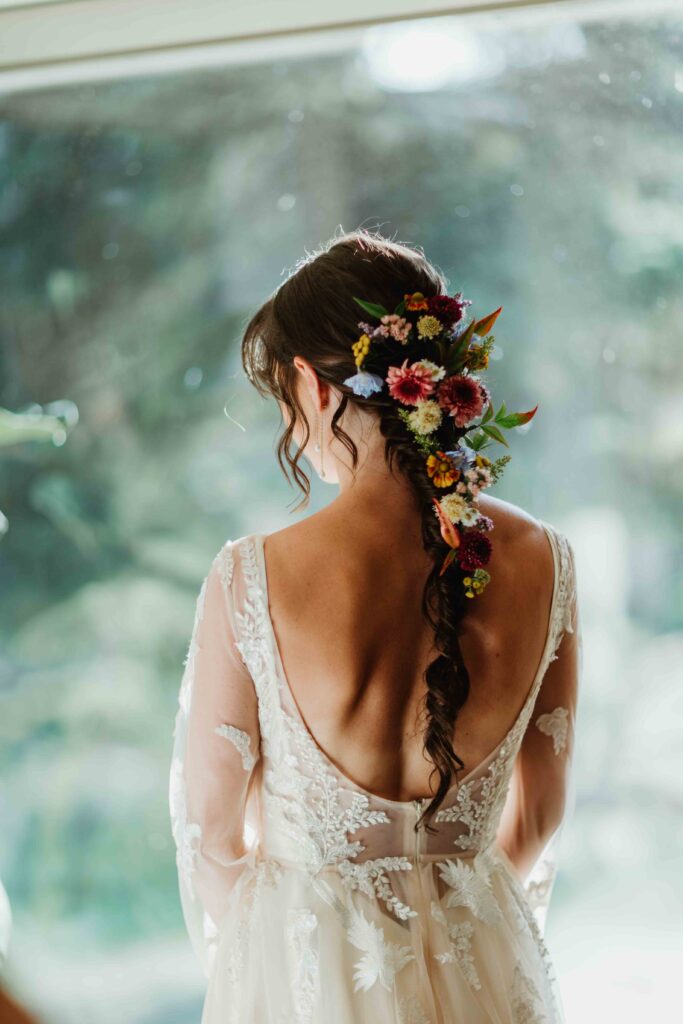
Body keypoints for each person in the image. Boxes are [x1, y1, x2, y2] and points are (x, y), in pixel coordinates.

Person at [169, 228, 582, 1023]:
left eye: (286, 407)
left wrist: (292, 968)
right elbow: (536, 816)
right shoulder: (545, 561)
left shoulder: (250, 579)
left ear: (315, 388)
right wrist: (452, 932)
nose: (293, 432)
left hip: (314, 987)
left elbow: (211, 841)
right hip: (484, 976)